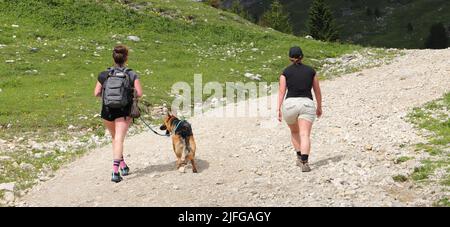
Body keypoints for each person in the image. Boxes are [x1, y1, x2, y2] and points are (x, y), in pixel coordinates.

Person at [94, 45, 143, 182]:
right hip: (123, 111)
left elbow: (96, 93)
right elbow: (139, 93)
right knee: (119, 139)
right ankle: (115, 172)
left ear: (113, 58)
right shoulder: (131, 74)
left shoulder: (104, 74)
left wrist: (108, 97)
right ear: (126, 58)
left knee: (115, 139)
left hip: (107, 111)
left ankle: (123, 165)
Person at [277, 46, 322, 172]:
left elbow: (281, 92)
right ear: (302, 56)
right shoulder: (311, 71)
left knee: (295, 132)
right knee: (305, 134)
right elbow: (317, 91)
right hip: (307, 103)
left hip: (290, 104)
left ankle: (298, 156)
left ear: (289, 58)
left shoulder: (285, 72)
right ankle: (305, 162)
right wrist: (319, 107)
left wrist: (278, 109)